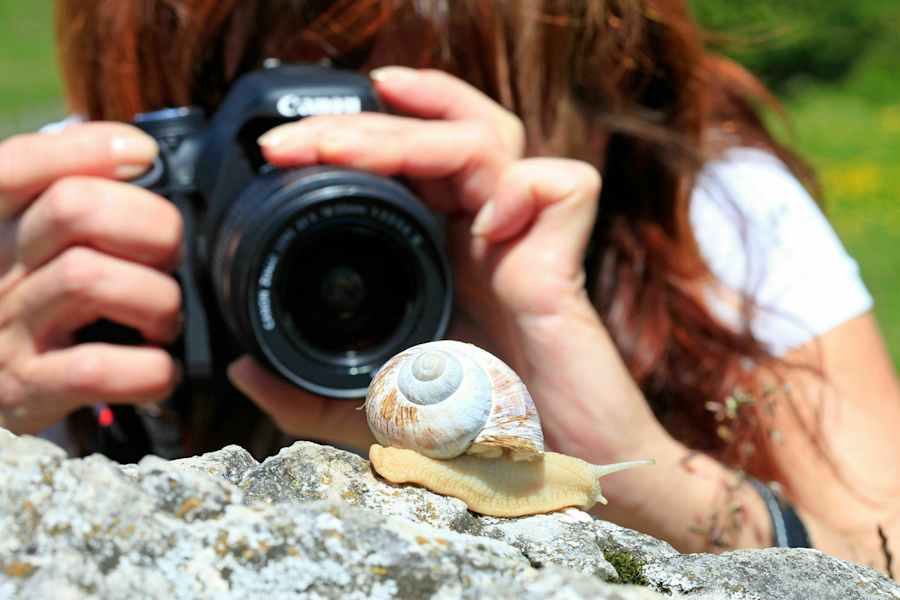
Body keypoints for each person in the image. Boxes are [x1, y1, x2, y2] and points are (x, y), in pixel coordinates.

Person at [0, 0, 897, 574]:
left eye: (407, 152)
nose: (343, 215)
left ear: (603, 99)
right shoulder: (69, 226)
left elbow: (881, 552)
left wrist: (653, 479)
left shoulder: (703, 212)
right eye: (257, 168)